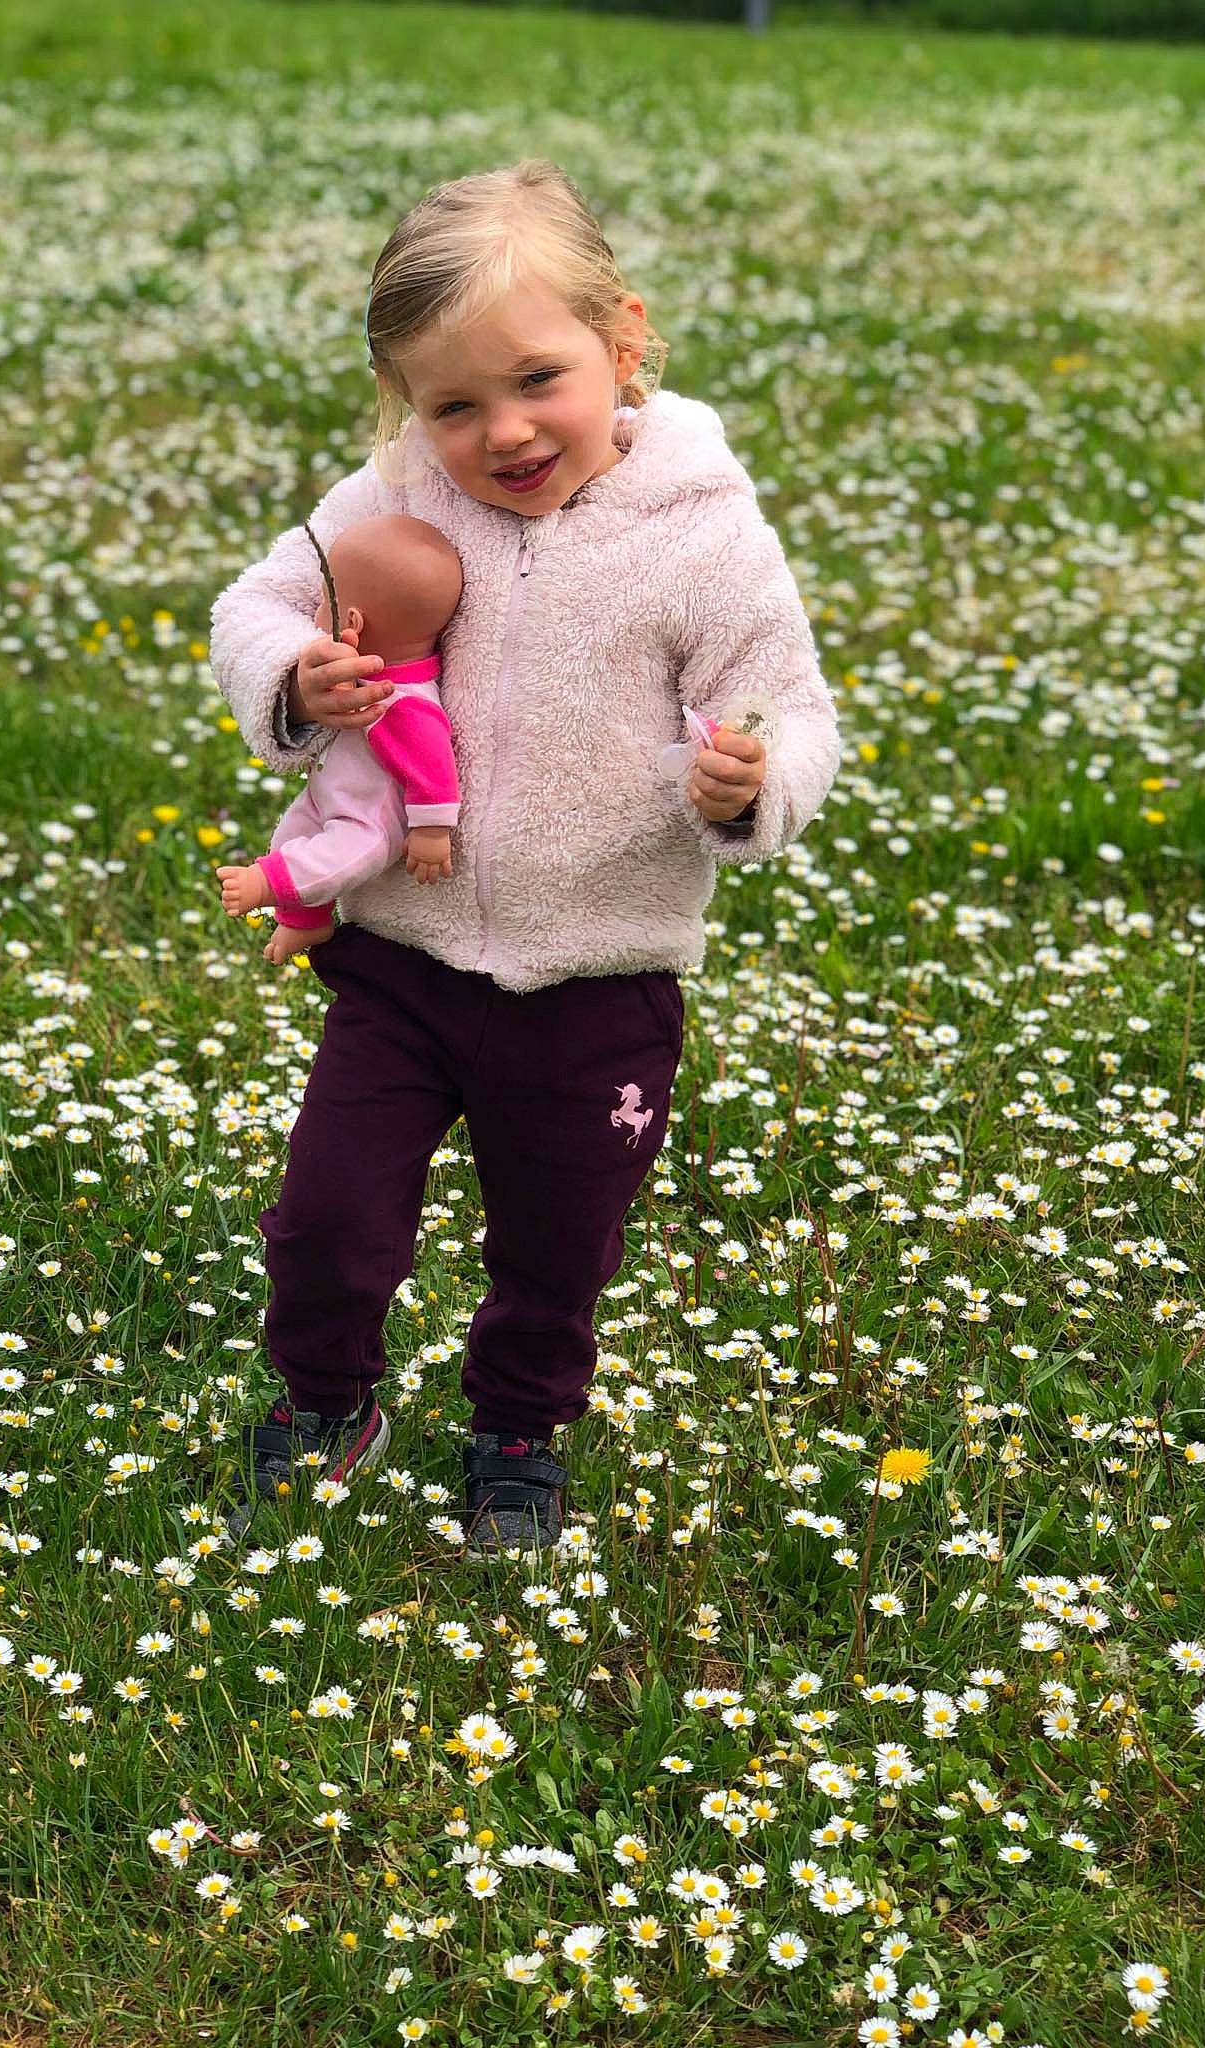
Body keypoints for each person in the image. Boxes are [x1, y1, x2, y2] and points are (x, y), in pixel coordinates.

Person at [206, 157, 841, 1555]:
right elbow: (253, 601)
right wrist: (292, 669)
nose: (501, 432)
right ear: (406, 406)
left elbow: (791, 708)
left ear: (623, 344)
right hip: (402, 958)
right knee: (326, 1216)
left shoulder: (703, 530)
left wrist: (752, 783)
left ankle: (515, 1437)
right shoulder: (393, 496)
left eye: (538, 380)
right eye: (452, 405)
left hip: (601, 972)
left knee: (557, 1246)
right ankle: (326, 1401)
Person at [215, 514, 465, 966]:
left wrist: (432, 827)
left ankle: (267, 884)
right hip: (330, 794)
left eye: (321, 608)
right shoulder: (362, 678)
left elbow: (434, 764)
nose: (315, 617)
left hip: (371, 822)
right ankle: (306, 921)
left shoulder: (403, 702)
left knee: (334, 858)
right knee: (292, 833)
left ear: (350, 622)